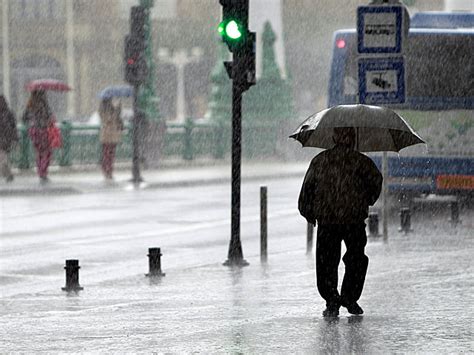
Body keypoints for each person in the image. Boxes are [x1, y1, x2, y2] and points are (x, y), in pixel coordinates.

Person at [298, 127, 382, 317]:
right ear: (353, 138)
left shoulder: (320, 161)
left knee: (327, 261)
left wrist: (309, 213)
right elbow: (375, 183)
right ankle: (349, 298)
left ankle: (332, 300)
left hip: (328, 220)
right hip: (353, 220)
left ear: (333, 137)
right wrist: (365, 200)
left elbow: (307, 190)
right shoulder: (362, 162)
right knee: (356, 259)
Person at [22, 90, 54, 183]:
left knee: (39, 152)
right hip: (43, 131)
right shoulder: (44, 105)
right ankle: (43, 172)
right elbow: (49, 118)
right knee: (47, 152)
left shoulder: (30, 104)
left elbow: (24, 118)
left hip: (33, 132)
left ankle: (40, 171)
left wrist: (32, 122)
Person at [99, 98, 123, 180]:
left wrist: (118, 108)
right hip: (108, 135)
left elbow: (116, 119)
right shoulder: (104, 110)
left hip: (110, 136)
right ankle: (107, 171)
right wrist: (115, 112)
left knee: (109, 155)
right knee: (108, 155)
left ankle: (108, 170)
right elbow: (108, 119)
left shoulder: (111, 109)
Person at [0, 95, 19, 182]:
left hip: (4, 140)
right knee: (3, 159)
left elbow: (13, 126)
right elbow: (13, 126)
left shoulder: (8, 113)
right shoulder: (8, 113)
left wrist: (15, 138)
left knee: (2, 159)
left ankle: (7, 174)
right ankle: (8, 174)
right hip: (5, 139)